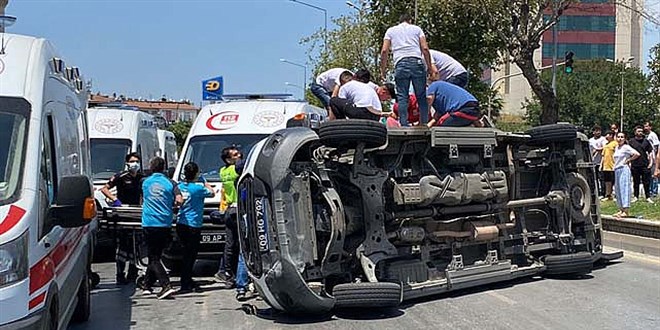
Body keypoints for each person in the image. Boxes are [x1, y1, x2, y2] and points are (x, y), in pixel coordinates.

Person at [380, 13, 436, 127]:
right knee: (421, 95)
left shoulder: (390, 31)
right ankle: (424, 123)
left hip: (401, 64)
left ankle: (404, 124)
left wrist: (383, 70)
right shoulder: (417, 29)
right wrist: (430, 68)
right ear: (410, 20)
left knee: (402, 96)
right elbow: (425, 48)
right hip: (417, 63)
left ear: (399, 21)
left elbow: (384, 51)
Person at [141, 157, 182, 299]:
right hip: (165, 222)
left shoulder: (145, 182)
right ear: (164, 168)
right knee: (156, 254)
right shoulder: (170, 183)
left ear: (151, 167)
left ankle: (166, 285)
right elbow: (179, 200)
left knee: (153, 257)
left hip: (149, 222)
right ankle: (147, 285)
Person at [100, 152, 144, 285]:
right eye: (132, 161)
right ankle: (120, 273)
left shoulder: (142, 178)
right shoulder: (120, 177)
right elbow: (104, 189)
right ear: (127, 163)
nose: (134, 163)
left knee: (135, 244)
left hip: (136, 212)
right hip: (123, 212)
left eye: (136, 161)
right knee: (122, 245)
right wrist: (114, 199)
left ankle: (133, 271)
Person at [176, 162, 215, 294]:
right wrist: (204, 180)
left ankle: (187, 279)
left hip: (181, 223)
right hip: (193, 224)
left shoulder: (180, 186)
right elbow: (212, 192)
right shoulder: (198, 189)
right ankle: (185, 281)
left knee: (185, 253)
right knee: (191, 254)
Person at [214, 146, 243, 287]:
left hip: (228, 209)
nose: (239, 156)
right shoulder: (236, 169)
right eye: (235, 155)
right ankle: (240, 276)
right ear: (228, 159)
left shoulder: (222, 171)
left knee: (230, 245)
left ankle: (227, 274)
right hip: (238, 209)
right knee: (243, 245)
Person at [613, 132, 640, 218]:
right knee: (618, 189)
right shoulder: (617, 147)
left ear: (624, 139)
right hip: (617, 169)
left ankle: (626, 210)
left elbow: (637, 154)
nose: (620, 138)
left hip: (624, 169)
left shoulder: (626, 147)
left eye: (622, 137)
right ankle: (620, 209)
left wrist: (628, 160)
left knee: (624, 188)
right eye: (618, 137)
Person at [628, 126, 654, 204]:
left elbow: (650, 152)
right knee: (636, 181)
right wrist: (629, 162)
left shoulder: (646, 141)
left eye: (641, 131)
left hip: (645, 164)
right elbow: (628, 153)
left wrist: (651, 162)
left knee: (646, 181)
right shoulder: (631, 141)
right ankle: (636, 196)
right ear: (635, 132)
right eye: (638, 131)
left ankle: (648, 197)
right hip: (634, 164)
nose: (640, 133)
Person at [589, 125, 608, 197]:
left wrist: (597, 149)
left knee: (602, 178)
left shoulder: (603, 139)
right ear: (593, 132)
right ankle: (596, 192)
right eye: (596, 131)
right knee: (594, 178)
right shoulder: (590, 140)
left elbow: (605, 147)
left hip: (601, 162)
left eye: (599, 131)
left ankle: (603, 193)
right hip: (593, 162)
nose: (598, 132)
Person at [643, 122, 659, 198]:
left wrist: (655, 156)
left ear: (650, 127)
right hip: (648, 157)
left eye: (647, 126)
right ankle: (650, 191)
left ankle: (654, 192)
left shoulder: (653, 135)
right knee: (649, 175)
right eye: (644, 126)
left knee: (654, 174)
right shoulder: (646, 136)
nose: (645, 128)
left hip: (654, 156)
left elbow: (656, 145)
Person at [600, 130, 617, 201]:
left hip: (613, 165)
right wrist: (601, 165)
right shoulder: (606, 145)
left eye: (607, 135)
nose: (605, 136)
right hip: (606, 166)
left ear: (611, 135)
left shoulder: (615, 144)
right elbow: (603, 156)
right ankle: (608, 195)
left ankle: (615, 195)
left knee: (614, 181)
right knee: (607, 181)